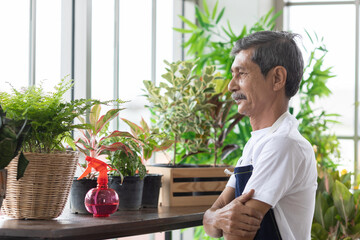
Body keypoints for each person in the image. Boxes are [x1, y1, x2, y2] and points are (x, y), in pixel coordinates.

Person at [202, 31, 318, 240]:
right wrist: (215, 218)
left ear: (277, 78)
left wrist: (216, 219)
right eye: (233, 74)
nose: (231, 85)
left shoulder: (284, 143)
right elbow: (211, 221)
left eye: (242, 74)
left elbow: (235, 234)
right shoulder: (256, 144)